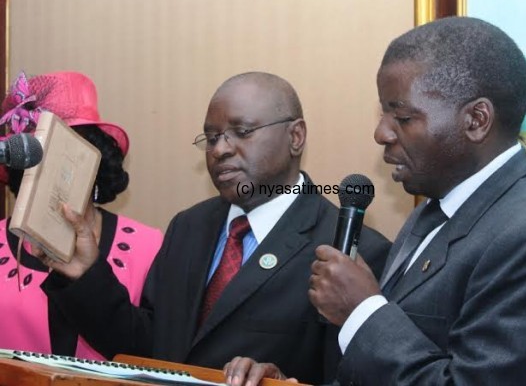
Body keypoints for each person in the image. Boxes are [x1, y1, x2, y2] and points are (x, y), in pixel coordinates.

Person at [226, 17, 526, 386]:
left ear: (476, 120)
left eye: (402, 116)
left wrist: (362, 311)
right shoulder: (430, 214)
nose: (381, 132)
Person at [36, 71, 390, 385]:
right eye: (211, 137)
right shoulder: (188, 226)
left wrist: (282, 382)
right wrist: (85, 274)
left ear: (295, 136)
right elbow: (147, 347)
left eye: (242, 132)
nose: (220, 149)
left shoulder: (349, 250)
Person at [0, 71, 163, 360]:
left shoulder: (150, 247)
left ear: (93, 158)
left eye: (64, 146)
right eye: (37, 149)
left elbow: (160, 353)